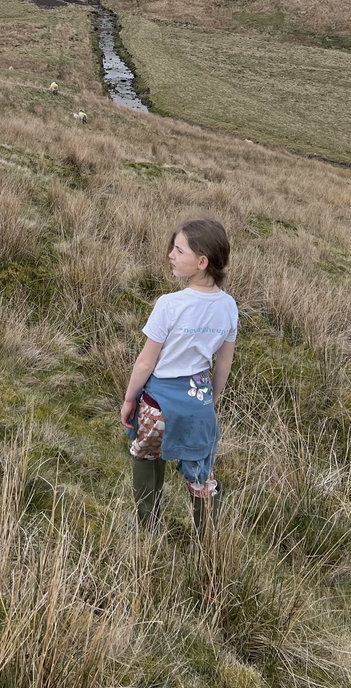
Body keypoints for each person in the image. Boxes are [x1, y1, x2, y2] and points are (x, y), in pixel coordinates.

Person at [120, 218, 237, 533]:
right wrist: (212, 399)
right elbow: (223, 364)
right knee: (201, 472)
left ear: (201, 262)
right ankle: (207, 539)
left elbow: (146, 362)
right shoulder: (228, 307)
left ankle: (148, 525)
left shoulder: (169, 305)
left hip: (157, 404)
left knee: (145, 455)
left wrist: (129, 398)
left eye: (178, 250)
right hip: (198, 406)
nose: (170, 254)